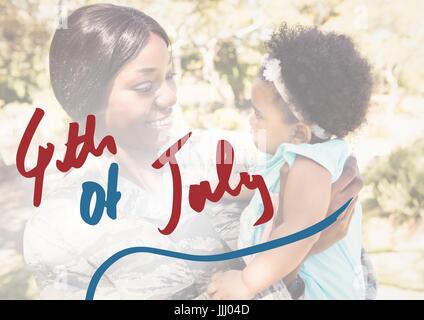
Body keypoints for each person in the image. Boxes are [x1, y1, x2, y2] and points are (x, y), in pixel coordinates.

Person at [23, 4, 370, 299]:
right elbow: (309, 239)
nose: (170, 97)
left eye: (170, 77)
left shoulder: (224, 153)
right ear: (86, 102)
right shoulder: (59, 230)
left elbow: (352, 266)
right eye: (145, 87)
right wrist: (299, 259)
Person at [208, 24, 374, 300]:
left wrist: (246, 284)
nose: (251, 121)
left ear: (298, 132)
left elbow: (300, 231)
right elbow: (264, 185)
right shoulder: (307, 156)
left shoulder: (309, 165)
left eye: (258, 114)